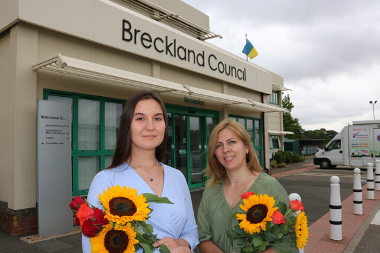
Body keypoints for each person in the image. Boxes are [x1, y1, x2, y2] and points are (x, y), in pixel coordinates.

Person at [82, 90, 199, 253]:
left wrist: (182, 243)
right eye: (140, 118)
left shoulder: (177, 177)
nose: (150, 127)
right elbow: (92, 248)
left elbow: (191, 231)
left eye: (157, 118)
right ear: (127, 126)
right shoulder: (106, 181)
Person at [197, 119, 298, 253]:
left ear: (246, 147)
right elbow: (202, 238)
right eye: (218, 145)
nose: (225, 149)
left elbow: (288, 241)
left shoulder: (269, 186)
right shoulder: (211, 190)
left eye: (231, 142)